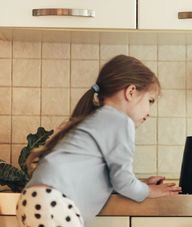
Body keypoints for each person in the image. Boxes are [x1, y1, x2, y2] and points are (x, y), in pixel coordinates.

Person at [16, 54, 181, 227]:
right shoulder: (120, 121)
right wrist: (149, 191)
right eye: (150, 100)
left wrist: (141, 183)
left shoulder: (95, 119)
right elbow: (123, 182)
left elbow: (108, 177)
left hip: (36, 199)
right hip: (53, 202)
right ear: (131, 91)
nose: (149, 112)